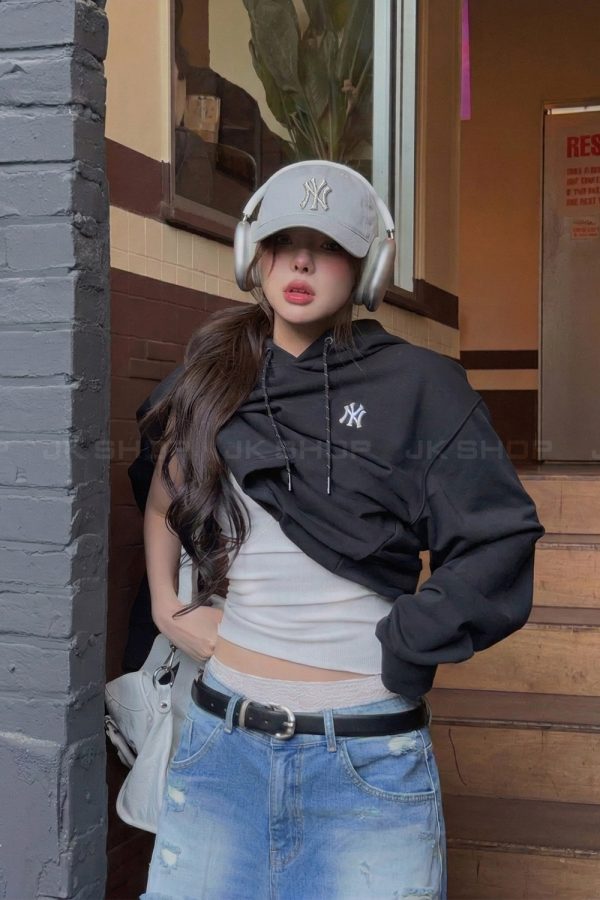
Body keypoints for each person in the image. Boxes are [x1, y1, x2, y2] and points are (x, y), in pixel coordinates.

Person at [138, 160, 545, 900]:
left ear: (367, 268)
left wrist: (408, 639)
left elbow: (498, 540)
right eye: (283, 242)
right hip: (220, 748)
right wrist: (169, 606)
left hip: (364, 761)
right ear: (253, 254)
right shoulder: (214, 375)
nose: (300, 262)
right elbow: (167, 492)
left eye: (327, 246)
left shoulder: (422, 387)